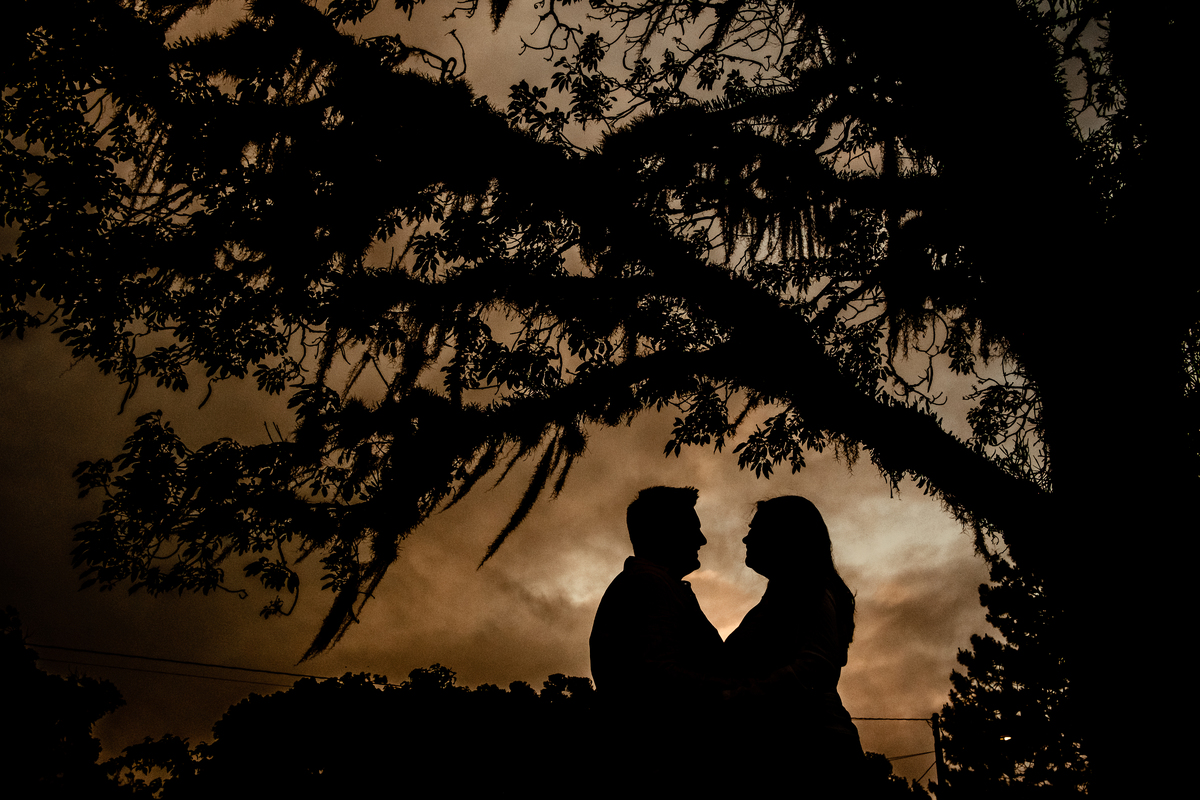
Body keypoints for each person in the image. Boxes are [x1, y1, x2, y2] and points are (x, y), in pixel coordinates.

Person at [725, 495, 864, 782]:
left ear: (784, 537)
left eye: (755, 530)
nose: (745, 539)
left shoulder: (813, 593)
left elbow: (817, 665)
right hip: (795, 754)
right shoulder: (784, 599)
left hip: (814, 757)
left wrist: (738, 698)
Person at [589, 486, 727, 709]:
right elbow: (657, 674)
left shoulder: (654, 584)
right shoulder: (647, 584)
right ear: (665, 532)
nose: (702, 540)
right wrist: (743, 690)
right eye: (692, 529)